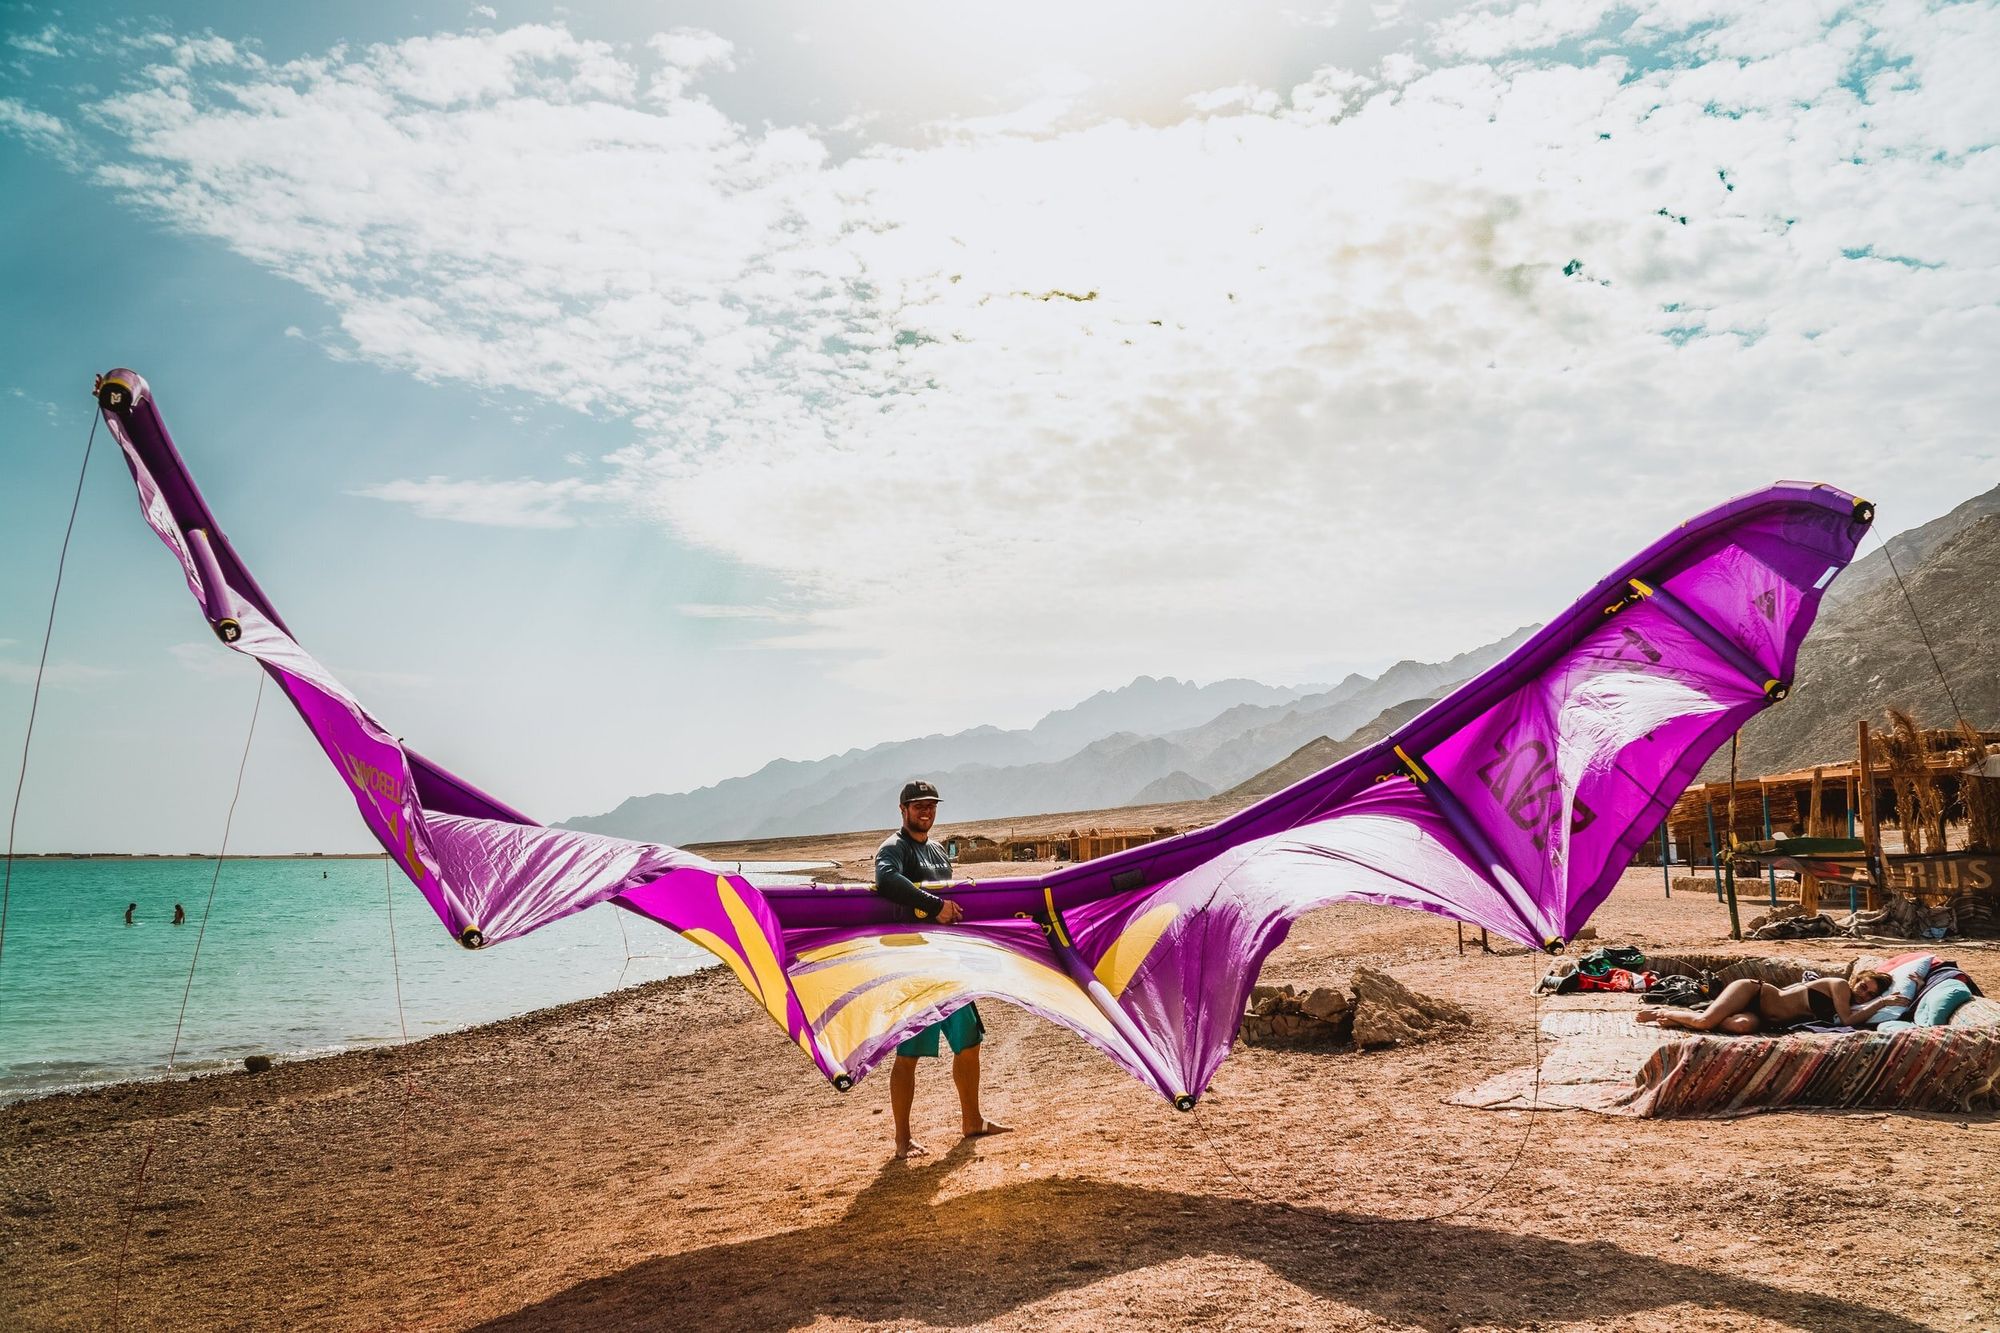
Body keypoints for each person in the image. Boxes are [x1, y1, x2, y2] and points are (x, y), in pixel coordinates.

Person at [873, 779, 1009, 1158]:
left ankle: (972, 1120)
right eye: (918, 806)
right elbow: (886, 881)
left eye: (931, 805)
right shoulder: (893, 849)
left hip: (948, 965)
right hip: (914, 968)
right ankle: (902, 1140)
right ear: (903, 811)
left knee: (969, 1044)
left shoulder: (936, 851)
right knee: (909, 1054)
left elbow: (951, 901)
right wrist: (934, 906)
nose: (926, 811)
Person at [1637, 969, 1901, 1034]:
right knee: (1705, 1021)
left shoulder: (1855, 1004)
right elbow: (1847, 1020)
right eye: (1864, 986)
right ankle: (1665, 1012)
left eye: (1870, 995)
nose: (1863, 994)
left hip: (1763, 1019)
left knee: (1740, 1026)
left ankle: (1674, 1020)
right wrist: (1880, 1004)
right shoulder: (1840, 985)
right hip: (1755, 993)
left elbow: (1853, 1018)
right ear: (1856, 979)